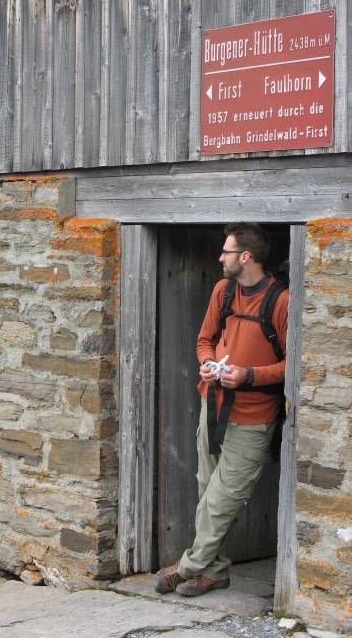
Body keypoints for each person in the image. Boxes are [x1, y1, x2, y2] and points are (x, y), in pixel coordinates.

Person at [153, 221, 289, 597]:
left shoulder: (281, 301)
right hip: (212, 406)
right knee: (206, 488)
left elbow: (293, 365)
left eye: (226, 252)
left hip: (253, 417)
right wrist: (207, 363)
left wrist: (249, 375)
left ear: (245, 256)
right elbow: (204, 339)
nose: (220, 258)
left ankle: (187, 567)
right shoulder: (222, 290)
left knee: (222, 499)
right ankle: (215, 572)